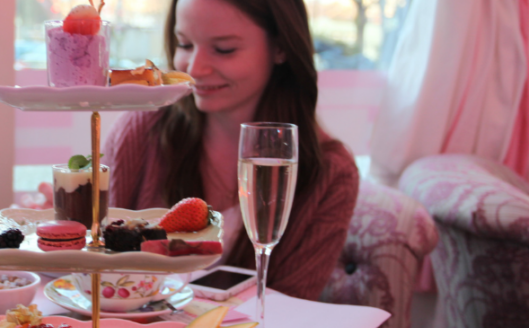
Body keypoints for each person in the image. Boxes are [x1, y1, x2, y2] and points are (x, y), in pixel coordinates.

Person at [104, 0, 359, 301]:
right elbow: (100, 264)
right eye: (184, 44)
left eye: (224, 49)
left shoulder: (331, 173)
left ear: (281, 47)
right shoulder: (141, 130)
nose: (195, 68)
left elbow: (288, 308)